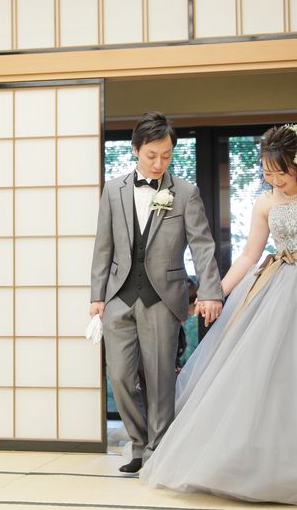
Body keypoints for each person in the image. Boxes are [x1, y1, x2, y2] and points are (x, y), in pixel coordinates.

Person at [141, 125, 297, 504]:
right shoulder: (264, 203)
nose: (274, 179)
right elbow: (249, 255)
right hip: (279, 288)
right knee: (265, 377)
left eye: (281, 172)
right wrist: (216, 291)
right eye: (267, 172)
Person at [90, 111, 222, 473]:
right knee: (119, 376)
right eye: (152, 155)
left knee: (161, 379)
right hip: (118, 297)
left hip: (163, 298)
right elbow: (103, 246)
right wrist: (97, 296)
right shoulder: (113, 190)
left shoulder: (186, 193)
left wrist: (210, 291)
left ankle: (156, 451)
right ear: (136, 150)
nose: (159, 163)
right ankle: (138, 441)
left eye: (166, 155)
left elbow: (202, 245)